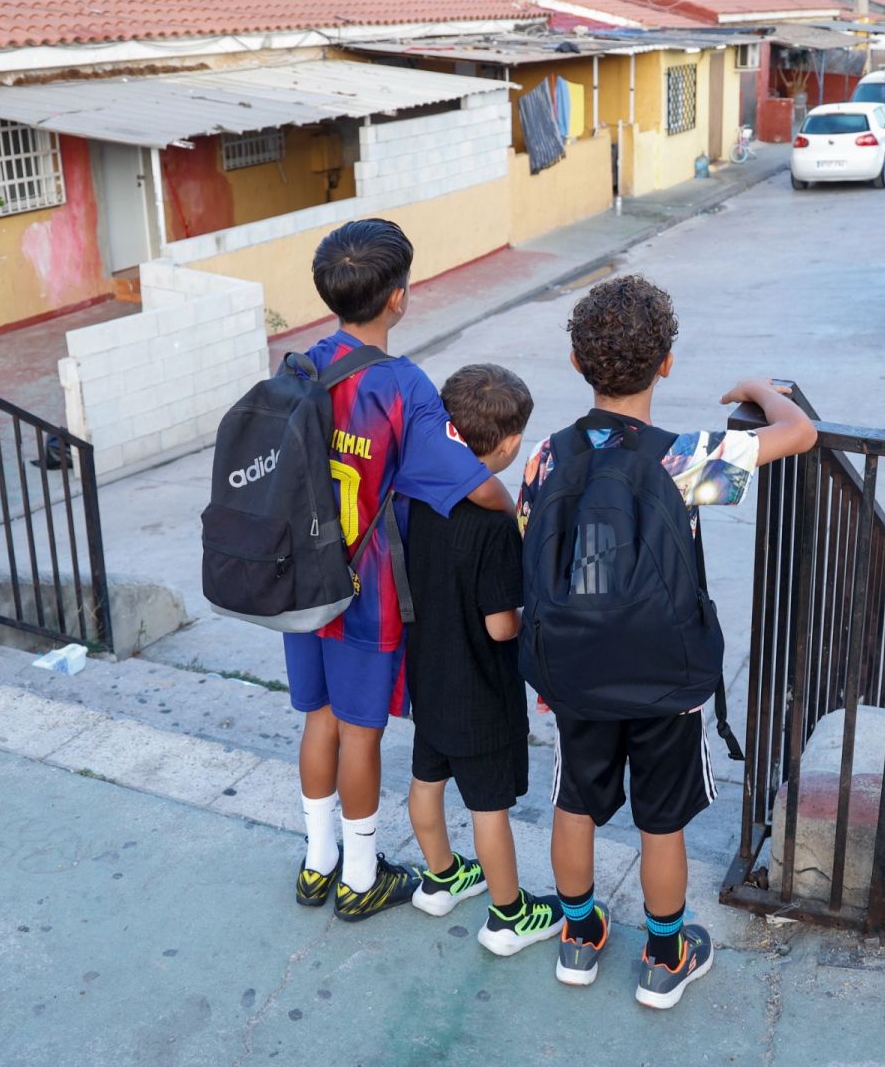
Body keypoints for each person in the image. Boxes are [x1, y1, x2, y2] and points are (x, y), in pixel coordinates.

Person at [518, 274, 817, 1009]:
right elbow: (802, 433)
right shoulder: (681, 458)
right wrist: (760, 389)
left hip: (575, 672)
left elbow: (547, 551)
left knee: (574, 799)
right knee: (662, 819)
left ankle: (580, 937)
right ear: (668, 364)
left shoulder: (543, 460)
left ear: (577, 365)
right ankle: (664, 953)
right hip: (661, 674)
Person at [287, 219, 514, 922]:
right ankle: (360, 877)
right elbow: (470, 481)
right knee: (361, 729)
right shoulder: (402, 386)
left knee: (318, 718)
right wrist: (511, 509)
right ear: (397, 299)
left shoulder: (298, 366)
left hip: (299, 581)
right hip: (365, 589)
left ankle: (317, 863)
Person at [403, 363, 567, 955]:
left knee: (427, 778)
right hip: (479, 690)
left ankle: (441, 876)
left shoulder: (421, 496)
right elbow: (501, 626)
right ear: (512, 443)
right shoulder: (494, 529)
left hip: (429, 675)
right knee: (488, 805)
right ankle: (508, 915)